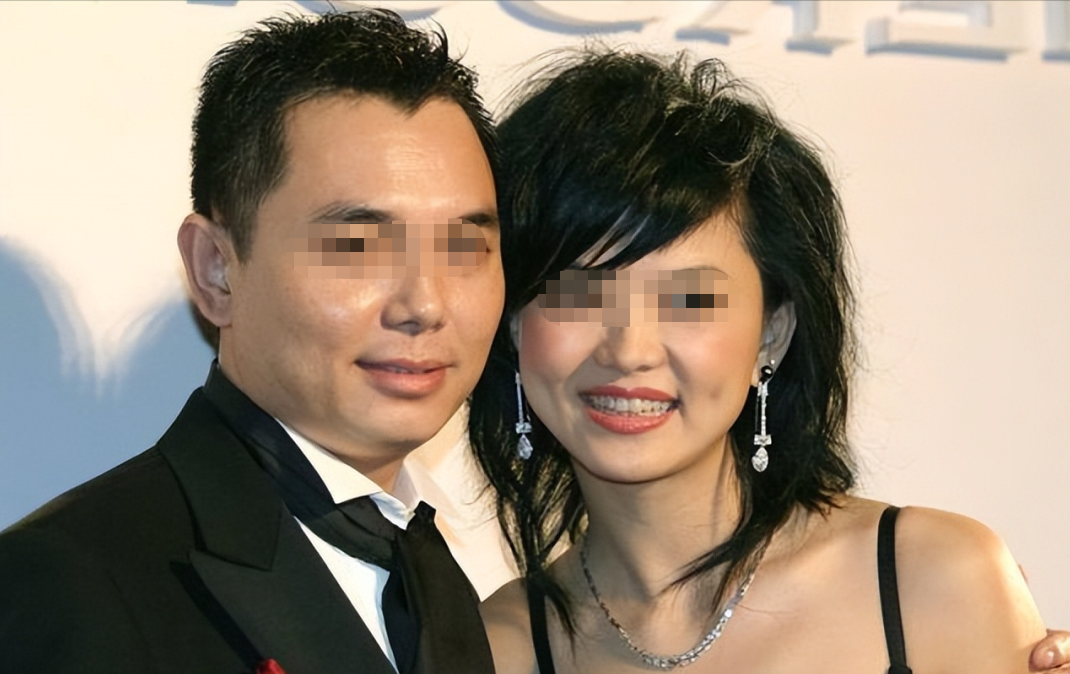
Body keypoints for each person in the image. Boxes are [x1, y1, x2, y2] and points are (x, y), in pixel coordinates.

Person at [472, 49, 1069, 673]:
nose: (628, 350)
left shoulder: (933, 579)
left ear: (772, 333)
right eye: (579, 294)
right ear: (512, 320)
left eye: (688, 301)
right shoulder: (494, 648)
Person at [0, 10, 502, 673]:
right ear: (216, 269)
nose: (425, 305)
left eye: (463, 247)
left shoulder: (442, 572)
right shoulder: (63, 585)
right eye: (359, 246)